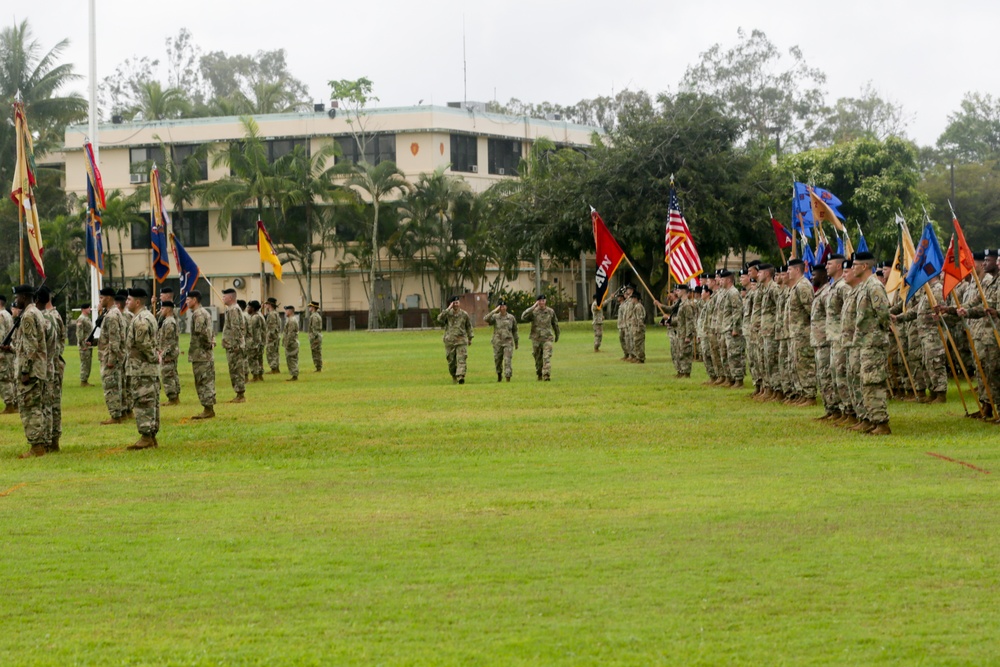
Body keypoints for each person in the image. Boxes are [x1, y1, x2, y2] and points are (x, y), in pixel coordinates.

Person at [2, 286, 49, 457]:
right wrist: (12, 349)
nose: (16, 300)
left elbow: (30, 346)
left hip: (31, 370)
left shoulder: (28, 315)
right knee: (36, 406)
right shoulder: (36, 312)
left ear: (24, 296)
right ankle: (40, 443)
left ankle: (36, 447)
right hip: (38, 368)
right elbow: (27, 345)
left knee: (30, 408)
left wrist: (25, 370)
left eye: (18, 296)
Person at [852, 252, 892, 434]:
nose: (852, 268)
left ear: (864, 266)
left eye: (855, 265)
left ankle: (881, 422)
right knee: (866, 382)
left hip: (874, 342)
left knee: (874, 381)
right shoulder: (864, 286)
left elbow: (883, 312)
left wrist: (878, 333)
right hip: (865, 341)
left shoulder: (874, 285)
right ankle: (872, 419)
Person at [124, 287, 160, 450]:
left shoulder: (141, 320)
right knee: (150, 401)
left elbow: (143, 344)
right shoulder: (147, 316)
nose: (126, 302)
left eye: (129, 300)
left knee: (143, 401)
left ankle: (146, 436)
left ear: (137, 302)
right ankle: (151, 435)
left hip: (142, 368)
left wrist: (153, 357)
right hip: (145, 368)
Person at [38, 287, 65, 452]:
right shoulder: (56, 316)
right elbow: (61, 341)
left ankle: (49, 440)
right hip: (56, 364)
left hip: (49, 365)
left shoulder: (46, 318)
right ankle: (54, 439)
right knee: (54, 404)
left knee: (47, 405)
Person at [98, 286, 127, 425]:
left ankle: (115, 416)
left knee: (111, 387)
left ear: (109, 298)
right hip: (112, 355)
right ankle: (119, 413)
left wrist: (111, 359)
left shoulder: (111, 316)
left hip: (111, 356)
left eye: (102, 298)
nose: (100, 300)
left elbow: (114, 339)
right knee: (116, 384)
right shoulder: (113, 313)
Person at [187, 290, 217, 420]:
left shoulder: (198, 314)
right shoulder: (205, 312)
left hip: (201, 354)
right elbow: (210, 330)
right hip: (205, 354)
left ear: (194, 300)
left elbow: (201, 332)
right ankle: (208, 408)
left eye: (188, 299)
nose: (186, 301)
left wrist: (208, 344)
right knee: (206, 380)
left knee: (203, 381)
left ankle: (208, 409)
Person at [522, 294, 560, 381]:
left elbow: (555, 324)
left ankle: (546, 375)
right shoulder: (534, 312)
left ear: (545, 301)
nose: (542, 302)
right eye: (540, 301)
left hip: (547, 338)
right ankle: (539, 373)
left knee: (546, 357)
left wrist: (557, 334)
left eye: (543, 301)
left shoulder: (550, 312)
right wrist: (533, 307)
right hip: (536, 339)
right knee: (538, 359)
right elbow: (523, 317)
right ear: (537, 302)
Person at [437, 296, 474, 383]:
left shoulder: (464, 314)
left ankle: (461, 376)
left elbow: (469, 326)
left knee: (461, 359)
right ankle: (454, 375)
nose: (456, 304)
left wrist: (470, 338)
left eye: (457, 302)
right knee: (451, 362)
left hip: (461, 340)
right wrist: (448, 309)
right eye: (454, 303)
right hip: (450, 341)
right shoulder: (448, 314)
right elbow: (439, 318)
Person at [221, 288, 247, 403]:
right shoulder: (231, 309)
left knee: (237, 370)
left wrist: (236, 344)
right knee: (234, 369)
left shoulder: (233, 310)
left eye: (224, 296)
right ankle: (238, 394)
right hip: (231, 345)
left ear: (230, 298)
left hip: (234, 346)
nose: (223, 298)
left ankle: (240, 394)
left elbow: (236, 328)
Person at [484, 299, 519, 382]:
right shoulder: (495, 317)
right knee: (498, 360)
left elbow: (515, 330)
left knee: (507, 360)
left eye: (504, 306)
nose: (502, 308)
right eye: (501, 306)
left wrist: (516, 342)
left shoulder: (511, 317)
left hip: (508, 342)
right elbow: (485, 319)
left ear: (506, 307)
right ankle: (499, 375)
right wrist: (494, 311)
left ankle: (508, 377)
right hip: (497, 342)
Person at [157, 300, 181, 405]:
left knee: (168, 375)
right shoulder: (167, 321)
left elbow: (170, 342)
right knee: (172, 374)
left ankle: (173, 398)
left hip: (168, 354)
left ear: (168, 309)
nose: (161, 311)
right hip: (169, 353)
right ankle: (174, 397)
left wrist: (163, 354)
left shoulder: (169, 322)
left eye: (162, 308)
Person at [0, 294, 17, 413]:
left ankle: (9, 404)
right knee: (10, 378)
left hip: (2, 352)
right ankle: (14, 402)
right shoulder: (8, 314)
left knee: (3, 379)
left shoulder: (1, 315)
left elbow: (1, 336)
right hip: (9, 351)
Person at [246, 300, 265, 382]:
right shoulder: (260, 315)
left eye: (249, 307)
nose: (247, 309)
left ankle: (255, 376)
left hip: (255, 342)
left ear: (253, 308)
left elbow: (251, 331)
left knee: (253, 359)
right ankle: (260, 375)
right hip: (260, 341)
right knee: (259, 359)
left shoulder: (254, 318)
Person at [76, 303, 95, 387]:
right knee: (85, 363)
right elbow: (79, 334)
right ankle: (83, 381)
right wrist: (82, 345)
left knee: (88, 363)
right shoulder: (81, 319)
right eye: (88, 308)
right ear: (83, 309)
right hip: (84, 345)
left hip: (88, 344)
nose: (90, 309)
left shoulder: (86, 318)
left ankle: (85, 380)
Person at [264, 297, 281, 374]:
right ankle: (276, 368)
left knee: (271, 352)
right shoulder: (276, 314)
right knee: (275, 352)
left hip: (272, 337)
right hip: (276, 336)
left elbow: (272, 327)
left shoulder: (271, 314)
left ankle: (273, 368)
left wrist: (270, 336)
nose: (266, 305)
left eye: (267, 304)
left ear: (270, 305)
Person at [283, 305, 300, 381]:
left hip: (291, 343)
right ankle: (294, 374)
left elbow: (291, 333)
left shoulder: (292, 320)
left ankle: (294, 375)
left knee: (291, 359)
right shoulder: (291, 319)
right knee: (291, 359)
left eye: (286, 310)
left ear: (290, 311)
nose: (285, 312)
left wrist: (287, 343)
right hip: (292, 342)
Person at [307, 300, 323, 372]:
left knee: (316, 352)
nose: (309, 308)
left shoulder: (314, 317)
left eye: (310, 306)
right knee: (316, 352)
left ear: (313, 307)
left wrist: (313, 338)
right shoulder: (315, 316)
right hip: (316, 337)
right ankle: (318, 367)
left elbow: (315, 329)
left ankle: (318, 367)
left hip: (315, 337)